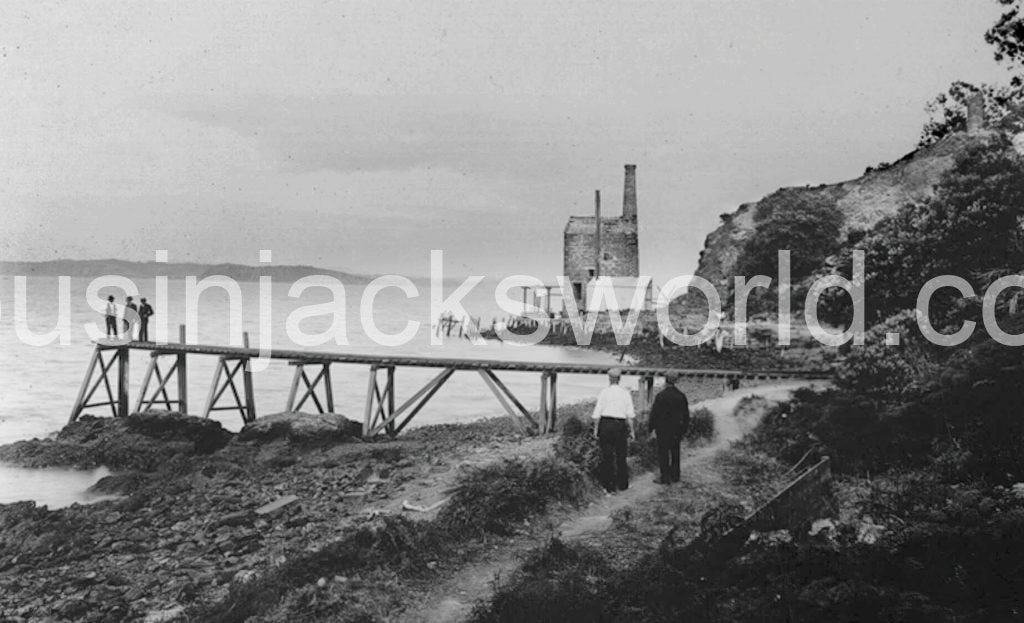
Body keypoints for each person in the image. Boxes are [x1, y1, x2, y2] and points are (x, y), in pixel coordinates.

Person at [592, 367, 636, 493]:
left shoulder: (604, 392)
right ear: (619, 379)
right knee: (621, 456)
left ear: (609, 378)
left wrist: (596, 429)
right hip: (620, 425)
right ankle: (623, 485)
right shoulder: (625, 393)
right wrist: (632, 431)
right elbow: (630, 415)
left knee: (607, 457)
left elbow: (597, 413)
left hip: (606, 424)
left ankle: (609, 487)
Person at [648, 370, 690, 484]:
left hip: (662, 429)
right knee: (675, 452)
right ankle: (675, 476)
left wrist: (651, 428)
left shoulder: (660, 396)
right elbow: (686, 415)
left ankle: (665, 477)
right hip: (676, 429)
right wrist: (684, 429)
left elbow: (654, 414)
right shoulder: (681, 396)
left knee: (663, 453)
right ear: (676, 380)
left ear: (666, 380)